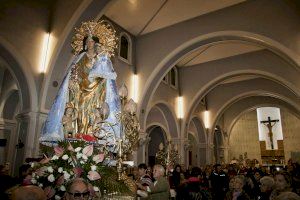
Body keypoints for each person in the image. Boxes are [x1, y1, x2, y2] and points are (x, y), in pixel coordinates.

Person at [40, 22, 121, 148]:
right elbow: (73, 72)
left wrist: (102, 56)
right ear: (85, 43)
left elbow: (106, 76)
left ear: (96, 43)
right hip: (81, 90)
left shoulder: (101, 58)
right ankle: (78, 139)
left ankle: (92, 138)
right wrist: (72, 81)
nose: (90, 44)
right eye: (87, 41)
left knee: (94, 115)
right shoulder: (80, 57)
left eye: (92, 41)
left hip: (97, 91)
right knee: (79, 113)